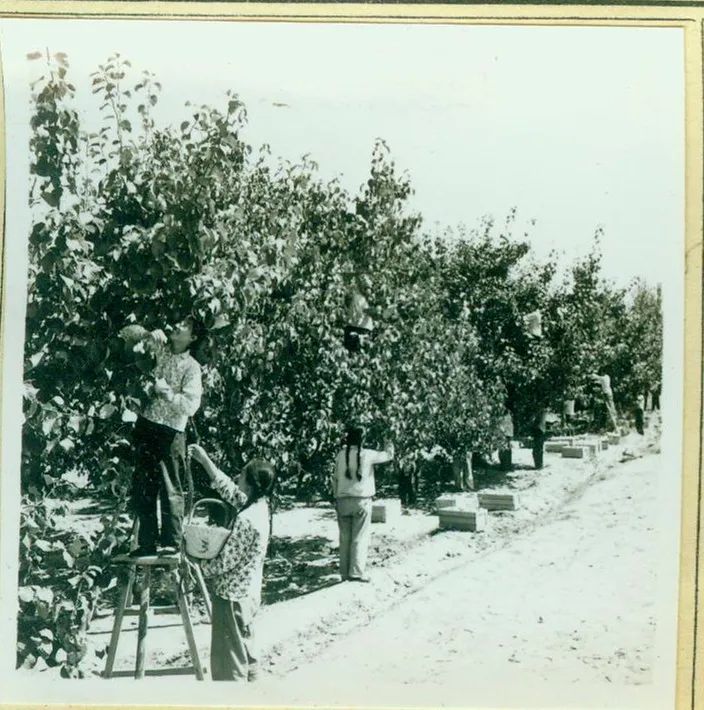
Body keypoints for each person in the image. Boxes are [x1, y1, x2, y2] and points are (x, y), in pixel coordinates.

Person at [188, 444, 275, 683]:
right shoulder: (260, 506)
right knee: (246, 652)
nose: (237, 478)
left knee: (230, 663)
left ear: (250, 483)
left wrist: (196, 564)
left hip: (232, 597)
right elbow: (228, 489)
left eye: (242, 475)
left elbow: (226, 561)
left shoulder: (248, 520)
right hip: (248, 594)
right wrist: (205, 461)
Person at [119, 317, 205, 556]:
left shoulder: (192, 367)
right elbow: (126, 337)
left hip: (171, 431)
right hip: (146, 424)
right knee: (144, 484)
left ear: (193, 337)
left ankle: (171, 542)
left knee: (170, 487)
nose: (178, 326)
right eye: (179, 323)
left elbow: (190, 406)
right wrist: (147, 336)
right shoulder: (160, 348)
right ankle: (146, 542)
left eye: (185, 326)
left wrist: (166, 393)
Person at [331, 425, 394, 582]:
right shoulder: (367, 454)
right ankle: (357, 572)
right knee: (360, 537)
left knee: (344, 537)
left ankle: (344, 573)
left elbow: (335, 478)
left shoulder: (340, 455)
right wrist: (388, 440)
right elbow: (388, 455)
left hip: (342, 500)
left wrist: (335, 497)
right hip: (361, 501)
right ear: (362, 440)